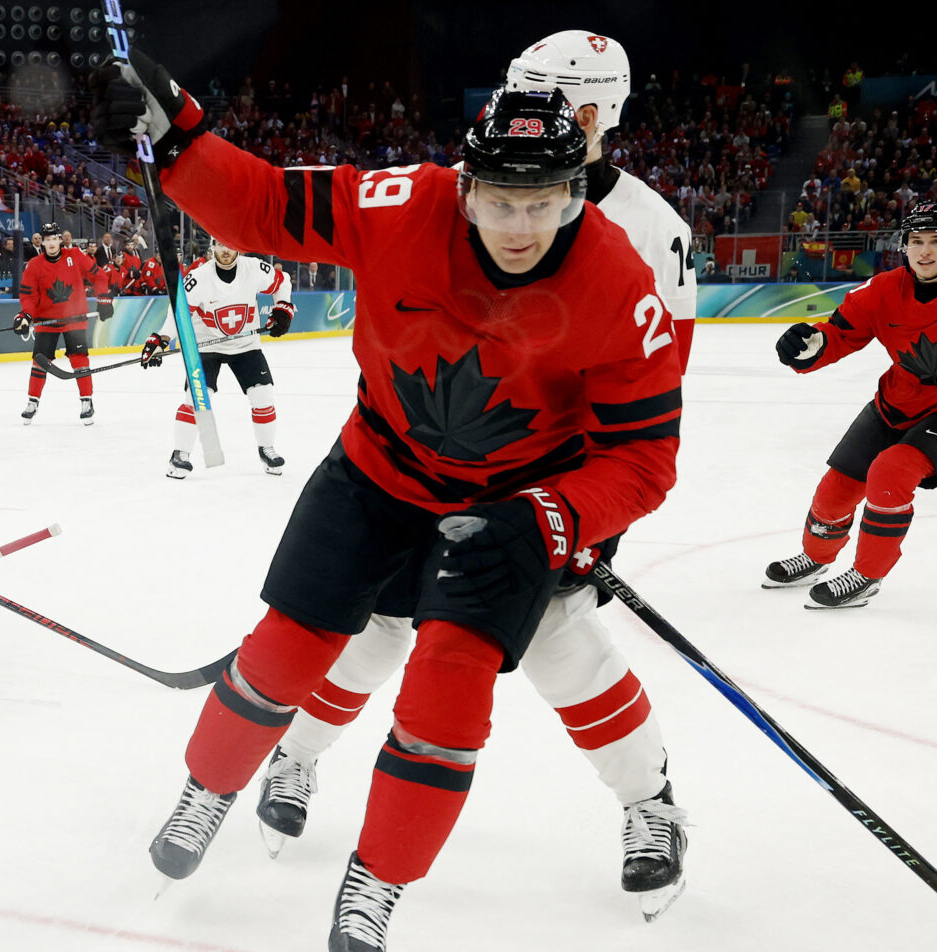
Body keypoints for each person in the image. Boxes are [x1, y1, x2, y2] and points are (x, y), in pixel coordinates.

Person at [96, 60, 681, 951]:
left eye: (546, 202)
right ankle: (209, 788)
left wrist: (557, 517)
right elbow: (261, 206)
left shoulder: (619, 283)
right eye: (498, 200)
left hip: (510, 510)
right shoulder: (403, 203)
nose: (519, 226)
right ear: (465, 186)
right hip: (377, 473)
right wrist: (180, 138)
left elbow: (643, 455)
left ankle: (381, 878)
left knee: (455, 687)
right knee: (289, 651)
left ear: (577, 195)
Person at [248, 30, 697, 918]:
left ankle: (651, 806)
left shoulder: (651, 228)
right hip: (413, 478)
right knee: (374, 633)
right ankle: (294, 755)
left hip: (539, 493)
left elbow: (652, 393)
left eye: (537, 92)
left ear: (593, 110)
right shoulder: (462, 188)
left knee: (560, 649)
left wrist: (579, 517)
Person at [765, 200, 937, 608]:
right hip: (895, 403)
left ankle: (867, 574)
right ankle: (816, 556)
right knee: (836, 488)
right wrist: (806, 346)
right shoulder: (882, 290)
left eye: (936, 241)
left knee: (890, 472)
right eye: (916, 241)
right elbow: (837, 335)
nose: (924, 252)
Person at [141, 236, 294, 478]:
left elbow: (282, 281)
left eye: (230, 244)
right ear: (212, 247)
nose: (226, 250)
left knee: (262, 394)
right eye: (220, 245)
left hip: (246, 344)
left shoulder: (253, 269)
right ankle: (179, 454)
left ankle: (267, 448)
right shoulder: (199, 278)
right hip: (205, 346)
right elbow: (179, 313)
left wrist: (283, 308)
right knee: (198, 398)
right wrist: (160, 339)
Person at [14, 222, 98, 424]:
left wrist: (104, 298)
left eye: (54, 239)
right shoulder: (34, 264)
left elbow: (97, 275)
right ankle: (32, 401)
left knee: (79, 360)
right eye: (47, 240)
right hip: (46, 319)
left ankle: (87, 401)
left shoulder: (76, 256)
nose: (51, 243)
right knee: (39, 361)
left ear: (60, 240)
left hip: (74, 318)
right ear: (42, 242)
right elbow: (29, 296)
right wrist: (25, 316)